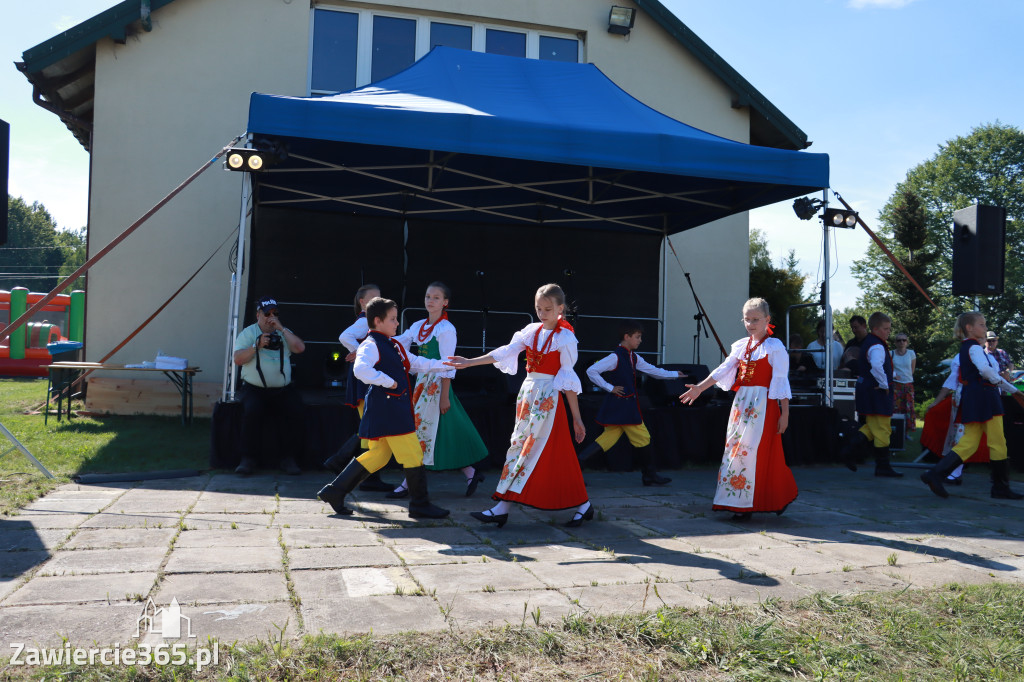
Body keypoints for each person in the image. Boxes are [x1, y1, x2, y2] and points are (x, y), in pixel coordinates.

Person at [447, 283, 592, 528]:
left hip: (548, 400)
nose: (542, 313)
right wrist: (469, 362)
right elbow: (504, 352)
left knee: (528, 452)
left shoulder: (565, 338)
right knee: (537, 451)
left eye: (548, 308)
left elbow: (568, 381)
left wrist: (576, 418)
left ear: (560, 309)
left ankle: (502, 508)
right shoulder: (530, 331)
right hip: (528, 396)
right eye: (539, 308)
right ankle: (583, 505)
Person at [316, 296, 457, 518]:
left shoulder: (392, 344)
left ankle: (335, 491)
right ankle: (419, 505)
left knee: (379, 455)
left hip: (389, 410)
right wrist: (388, 381)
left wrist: (447, 364)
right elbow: (360, 370)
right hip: (389, 412)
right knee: (412, 455)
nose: (397, 323)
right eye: (392, 319)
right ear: (378, 321)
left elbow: (416, 363)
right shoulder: (370, 345)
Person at [678, 298, 797, 520]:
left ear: (767, 320)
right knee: (735, 449)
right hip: (742, 403)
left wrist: (785, 413)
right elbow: (724, 369)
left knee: (753, 453)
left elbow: (781, 381)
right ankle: (740, 500)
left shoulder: (774, 347)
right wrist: (700, 388)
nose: (751, 324)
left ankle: (750, 504)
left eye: (756, 319)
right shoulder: (741, 346)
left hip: (763, 405)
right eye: (747, 319)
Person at [387, 282, 488, 499]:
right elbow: (399, 342)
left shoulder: (446, 329)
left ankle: (408, 482)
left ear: (445, 302)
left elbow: (448, 363)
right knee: (437, 431)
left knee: (423, 431)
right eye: (427, 297)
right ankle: (471, 473)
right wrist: (374, 343)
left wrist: (444, 395)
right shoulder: (418, 325)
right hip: (423, 382)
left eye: (435, 297)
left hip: (437, 384)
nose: (430, 301)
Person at [921, 312, 1024, 500]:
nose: (985, 328)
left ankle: (935, 474)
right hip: (986, 397)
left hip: (975, 397)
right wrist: (1013, 390)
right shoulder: (975, 348)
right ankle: (1000, 487)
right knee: (997, 442)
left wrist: (1010, 389)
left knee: (969, 442)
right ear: (969, 328)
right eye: (982, 325)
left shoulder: (967, 348)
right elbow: (986, 371)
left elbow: (986, 372)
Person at [577, 320, 685, 486]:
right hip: (624, 408)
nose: (640, 340)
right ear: (626, 337)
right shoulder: (615, 357)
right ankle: (649, 475)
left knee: (608, 439)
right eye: (637, 337)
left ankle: (576, 467)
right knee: (643, 437)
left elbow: (654, 371)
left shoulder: (634, 358)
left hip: (621, 408)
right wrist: (609, 387)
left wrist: (674, 374)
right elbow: (591, 371)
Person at [322, 284, 392, 493]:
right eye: (373, 298)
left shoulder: (370, 321)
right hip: (364, 380)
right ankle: (340, 460)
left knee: (370, 427)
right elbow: (345, 337)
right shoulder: (364, 321)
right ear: (362, 302)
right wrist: (362, 351)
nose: (379, 302)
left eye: (381, 298)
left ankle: (366, 476)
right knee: (371, 427)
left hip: (364, 378)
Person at [231, 296, 306, 475]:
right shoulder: (248, 333)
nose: (270, 317)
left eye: (275, 313)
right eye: (267, 314)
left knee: (295, 410)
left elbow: (300, 348)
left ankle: (288, 459)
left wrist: (281, 328)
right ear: (258, 315)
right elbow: (237, 359)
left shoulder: (283, 332)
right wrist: (256, 346)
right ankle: (248, 459)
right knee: (251, 411)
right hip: (254, 389)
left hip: (282, 389)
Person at [841, 312, 902, 477]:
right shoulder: (876, 345)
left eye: (889, 328)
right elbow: (876, 365)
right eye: (885, 328)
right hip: (876, 391)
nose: (888, 332)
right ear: (875, 329)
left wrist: (892, 375)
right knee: (883, 427)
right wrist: (884, 383)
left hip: (867, 390)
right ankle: (882, 466)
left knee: (872, 426)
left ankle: (849, 450)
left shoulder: (870, 342)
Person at [891, 333, 917, 435]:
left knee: (908, 408)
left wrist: (906, 378)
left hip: (908, 385)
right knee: (896, 408)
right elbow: (887, 369)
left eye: (903, 340)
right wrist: (894, 375)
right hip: (896, 385)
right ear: (895, 343)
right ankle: (895, 431)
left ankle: (905, 433)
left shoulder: (911, 353)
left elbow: (912, 370)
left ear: (907, 342)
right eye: (899, 340)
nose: (901, 342)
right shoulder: (891, 353)